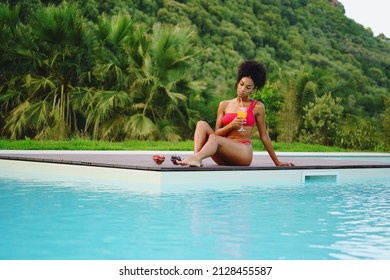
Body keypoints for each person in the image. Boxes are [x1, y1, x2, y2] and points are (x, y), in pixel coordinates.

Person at [178, 60, 294, 167]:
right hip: (223, 151)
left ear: (253, 89)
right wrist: (232, 125)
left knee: (214, 139)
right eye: (241, 84)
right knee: (201, 124)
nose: (242, 89)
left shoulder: (258, 107)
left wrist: (277, 162)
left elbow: (264, 136)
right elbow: (217, 133)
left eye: (248, 87)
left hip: (243, 152)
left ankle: (196, 158)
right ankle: (196, 158)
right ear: (238, 82)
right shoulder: (224, 104)